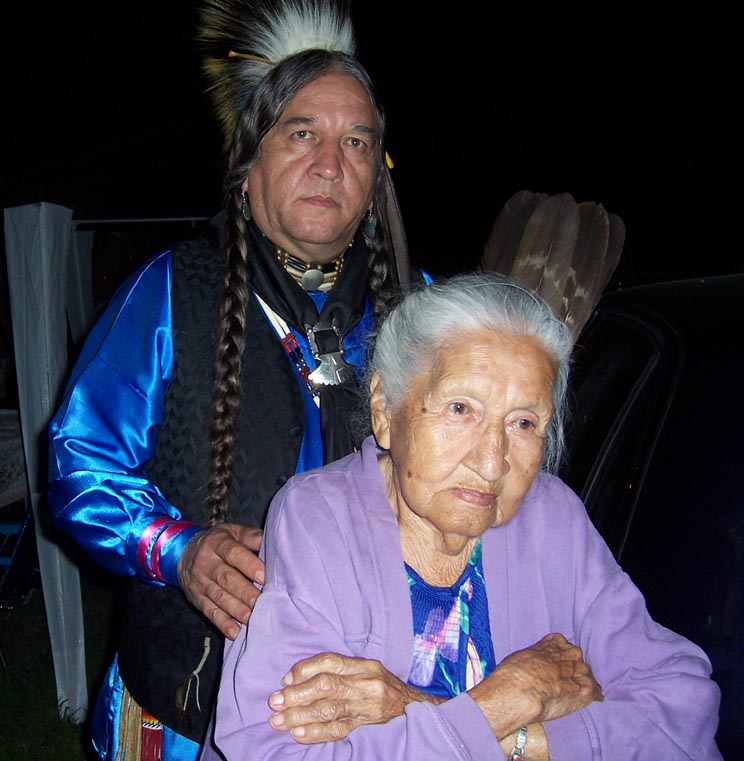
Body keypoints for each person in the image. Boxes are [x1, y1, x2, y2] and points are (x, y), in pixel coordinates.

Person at [47, 1, 419, 759]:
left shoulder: (419, 315)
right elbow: (79, 462)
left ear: (374, 181)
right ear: (247, 167)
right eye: (301, 133)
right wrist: (178, 550)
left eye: (355, 141)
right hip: (190, 705)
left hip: (367, 705)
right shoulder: (171, 293)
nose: (330, 163)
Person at [203, 272, 723, 760]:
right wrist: (508, 700)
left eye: (523, 423)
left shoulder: (551, 518)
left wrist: (437, 715)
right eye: (460, 409)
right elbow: (274, 749)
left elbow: (682, 712)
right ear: (385, 410)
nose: (492, 462)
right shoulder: (319, 520)